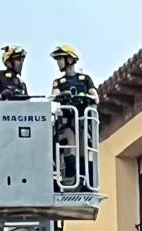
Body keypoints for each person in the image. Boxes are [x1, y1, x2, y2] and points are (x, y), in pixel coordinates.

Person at [50, 45, 98, 183]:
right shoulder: (58, 82)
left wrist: (86, 97)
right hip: (66, 122)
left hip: (82, 122)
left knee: (84, 150)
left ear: (70, 59)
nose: (58, 62)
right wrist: (62, 95)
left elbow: (96, 97)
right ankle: (70, 175)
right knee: (70, 142)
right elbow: (54, 95)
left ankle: (85, 179)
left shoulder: (85, 79)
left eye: (60, 58)